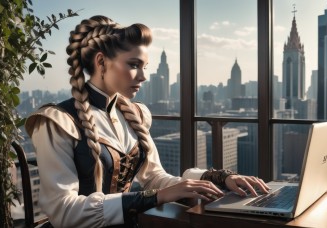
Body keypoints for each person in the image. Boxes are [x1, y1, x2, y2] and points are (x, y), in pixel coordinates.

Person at [25, 15, 269, 228]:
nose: (142, 76)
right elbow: (64, 213)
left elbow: (155, 178)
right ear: (101, 62)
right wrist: (154, 197)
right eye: (134, 65)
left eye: (145, 67)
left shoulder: (135, 115)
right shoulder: (57, 122)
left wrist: (217, 180)